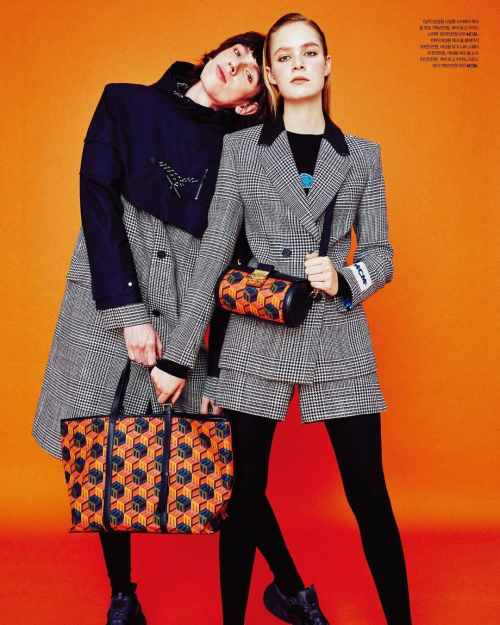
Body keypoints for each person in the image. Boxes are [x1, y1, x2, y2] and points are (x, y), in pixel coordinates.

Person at [32, 31, 309, 625]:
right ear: (215, 54)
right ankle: (122, 595)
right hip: (107, 303)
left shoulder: (246, 154)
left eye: (251, 71)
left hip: (190, 315)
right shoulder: (125, 102)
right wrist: (128, 312)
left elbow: (239, 258)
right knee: (101, 447)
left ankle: (289, 589)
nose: (237, 63)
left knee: (227, 466)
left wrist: (210, 362)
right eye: (237, 52)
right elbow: (97, 203)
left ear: (250, 105)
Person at [152, 12, 413, 625]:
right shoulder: (241, 150)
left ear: (327, 65)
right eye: (285, 56)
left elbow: (381, 252)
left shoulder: (362, 156)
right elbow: (214, 257)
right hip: (258, 334)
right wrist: (178, 358)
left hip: (337, 337)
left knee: (369, 495)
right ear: (269, 74)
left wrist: (346, 278)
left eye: (309, 52)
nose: (298, 63)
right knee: (242, 498)